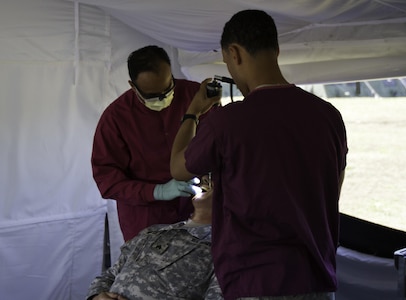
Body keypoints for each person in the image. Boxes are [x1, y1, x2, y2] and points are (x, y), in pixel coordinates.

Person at [170, 9, 348, 300]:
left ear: (235, 53)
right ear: (276, 49)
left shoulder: (226, 121)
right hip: (317, 281)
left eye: (228, 62)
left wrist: (192, 112)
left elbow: (178, 169)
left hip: (256, 281)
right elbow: (332, 192)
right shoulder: (329, 116)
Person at [92, 45, 204, 241]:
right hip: (147, 221)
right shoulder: (116, 118)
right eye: (151, 96)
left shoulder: (195, 96)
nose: (162, 99)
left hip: (197, 211)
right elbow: (107, 181)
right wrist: (156, 191)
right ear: (132, 85)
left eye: (167, 89)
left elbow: (221, 144)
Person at [86, 175, 223, 300]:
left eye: (215, 180)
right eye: (205, 176)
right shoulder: (153, 232)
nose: (205, 180)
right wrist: (97, 296)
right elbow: (109, 276)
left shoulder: (223, 251)